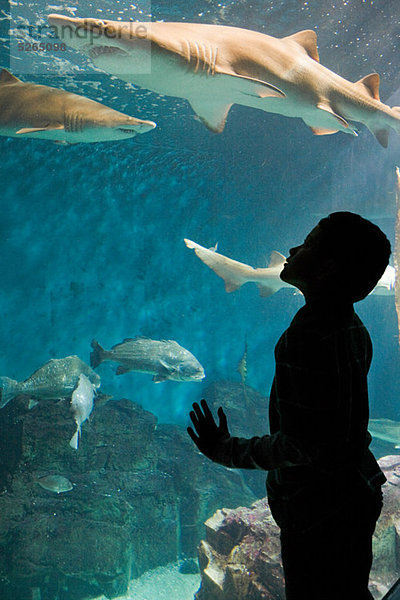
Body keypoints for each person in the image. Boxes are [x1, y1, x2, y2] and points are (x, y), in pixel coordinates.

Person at [187, 212, 391, 600]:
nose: (294, 249)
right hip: (352, 492)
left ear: (328, 268)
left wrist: (226, 450)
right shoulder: (351, 326)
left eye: (309, 243)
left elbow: (303, 445)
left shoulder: (310, 335)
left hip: (319, 509)